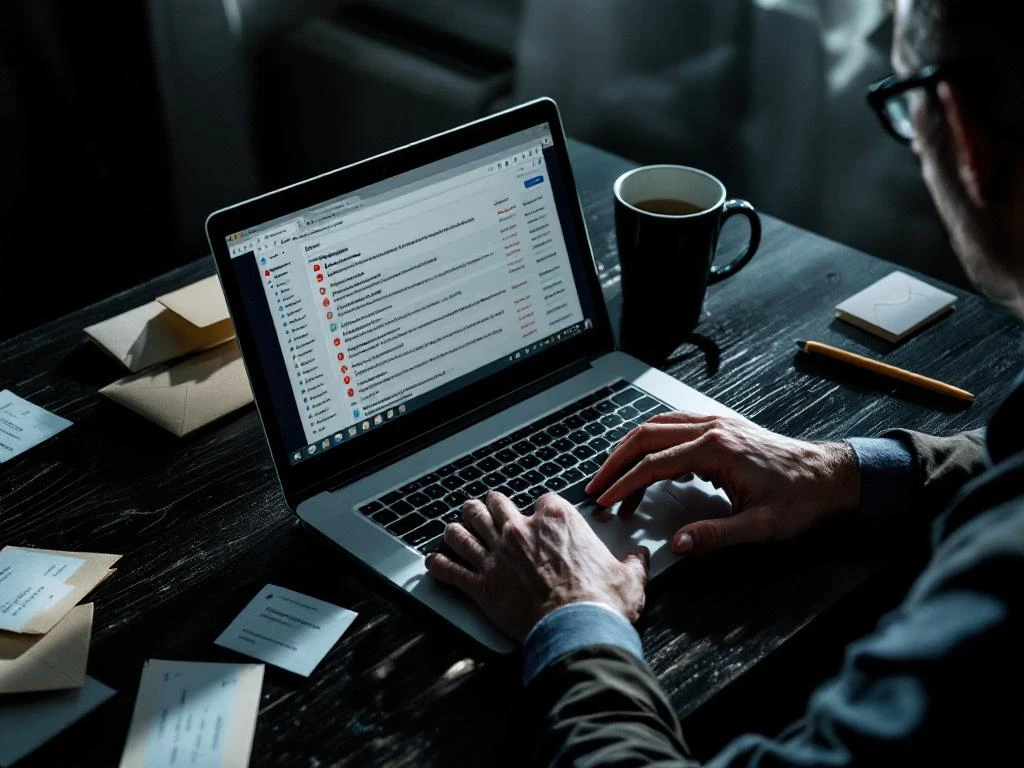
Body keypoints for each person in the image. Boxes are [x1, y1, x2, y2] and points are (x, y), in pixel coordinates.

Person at [425, 0, 1024, 764]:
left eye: (901, 105)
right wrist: (845, 471)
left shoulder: (995, 603)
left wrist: (575, 618)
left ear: (963, 134)